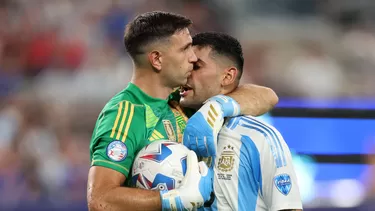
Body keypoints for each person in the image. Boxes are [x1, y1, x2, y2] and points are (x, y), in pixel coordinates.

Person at [87, 11, 278, 211]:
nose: (193, 57)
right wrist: (173, 200)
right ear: (157, 60)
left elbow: (267, 96)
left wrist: (217, 107)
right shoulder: (125, 114)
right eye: (185, 49)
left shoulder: (183, 99)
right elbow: (100, 199)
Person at [180, 32, 303, 211]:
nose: (186, 73)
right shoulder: (168, 121)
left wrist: (216, 106)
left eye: (196, 67)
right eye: (185, 65)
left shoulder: (259, 138)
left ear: (227, 76)